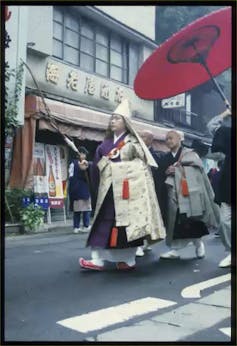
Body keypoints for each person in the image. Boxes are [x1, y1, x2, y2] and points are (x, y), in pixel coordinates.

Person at [79, 99, 166, 271]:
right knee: (103, 223)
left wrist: (119, 170)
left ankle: (128, 259)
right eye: (111, 118)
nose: (112, 121)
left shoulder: (134, 144)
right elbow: (98, 168)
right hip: (108, 192)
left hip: (128, 194)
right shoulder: (103, 146)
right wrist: (87, 167)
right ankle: (97, 259)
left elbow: (143, 167)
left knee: (127, 226)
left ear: (126, 123)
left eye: (117, 118)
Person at [157, 130, 220, 259]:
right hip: (172, 195)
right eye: (166, 139)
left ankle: (199, 244)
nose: (168, 141)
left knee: (193, 221)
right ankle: (174, 249)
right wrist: (166, 172)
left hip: (188, 193)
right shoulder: (165, 157)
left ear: (180, 139)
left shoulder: (190, 154)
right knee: (175, 223)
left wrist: (179, 170)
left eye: (171, 138)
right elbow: (159, 174)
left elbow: (197, 170)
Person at [207, 108, 232, 268]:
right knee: (225, 221)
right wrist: (225, 113)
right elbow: (212, 126)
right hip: (229, 182)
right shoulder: (230, 133)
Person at [136, 130, 165, 256]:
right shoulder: (134, 151)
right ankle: (138, 244)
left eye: (143, 136)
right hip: (136, 189)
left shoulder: (156, 155)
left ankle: (146, 243)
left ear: (150, 140)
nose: (140, 138)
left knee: (149, 218)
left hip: (151, 191)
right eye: (140, 135)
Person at [68, 147, 92, 234]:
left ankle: (76, 227)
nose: (84, 156)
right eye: (83, 154)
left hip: (75, 189)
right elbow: (72, 176)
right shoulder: (75, 163)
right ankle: (85, 225)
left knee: (78, 209)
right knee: (85, 209)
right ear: (79, 154)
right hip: (81, 188)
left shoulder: (74, 163)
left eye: (85, 154)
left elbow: (70, 177)